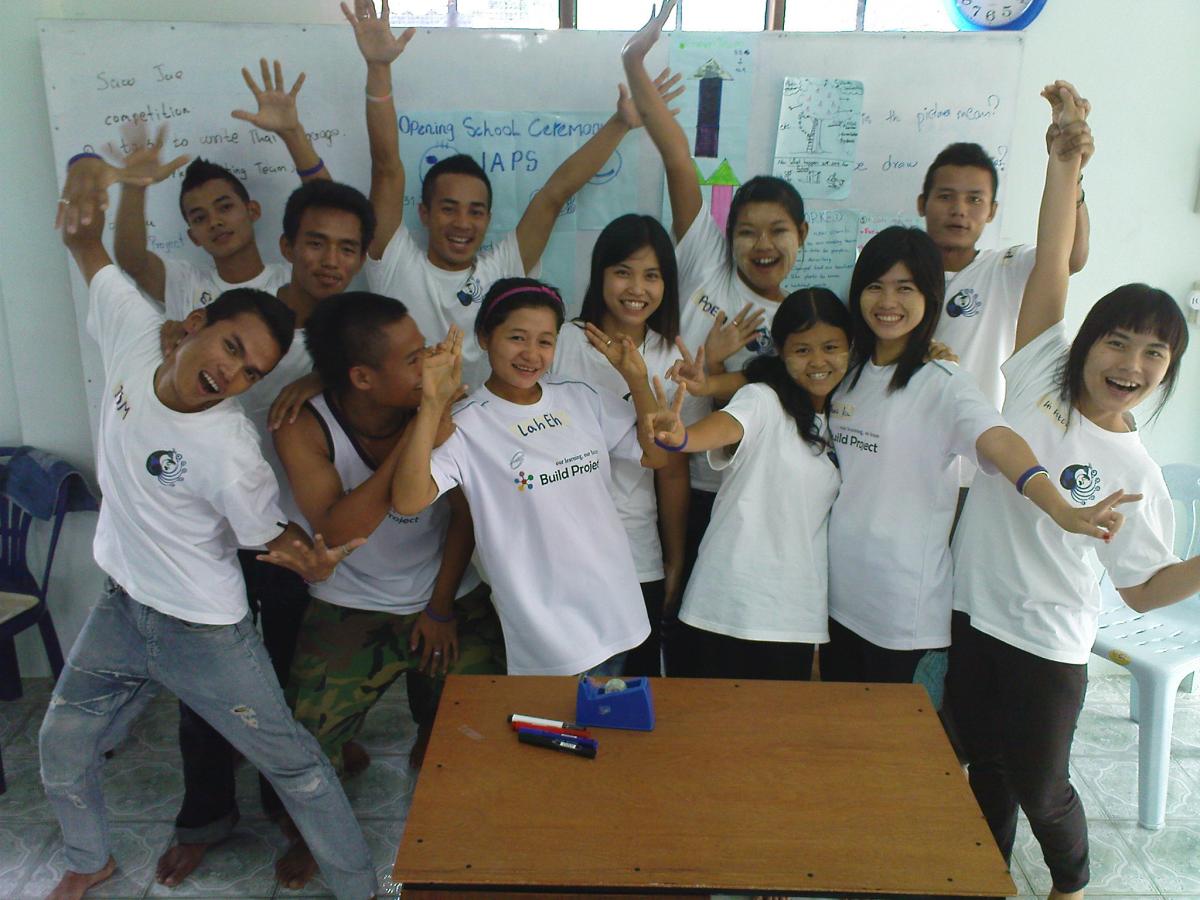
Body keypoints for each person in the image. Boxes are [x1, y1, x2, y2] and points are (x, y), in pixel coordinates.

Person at [44, 161, 374, 900]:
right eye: (229, 349)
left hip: (204, 628)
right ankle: (88, 856)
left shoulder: (233, 449)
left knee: (291, 760)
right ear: (192, 324)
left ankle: (360, 885)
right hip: (120, 604)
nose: (232, 375)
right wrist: (91, 180)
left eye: (251, 372)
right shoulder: (134, 332)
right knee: (61, 741)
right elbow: (90, 252)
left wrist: (309, 561)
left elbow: (266, 538)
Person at [948, 85, 1194, 900]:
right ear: (1086, 342)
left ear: (1167, 372)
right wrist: (1065, 161)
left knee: (1041, 786)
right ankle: (992, 877)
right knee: (980, 762)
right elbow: (1053, 259)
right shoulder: (1041, 374)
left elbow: (1146, 590)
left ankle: (1071, 883)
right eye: (1117, 340)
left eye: (1154, 354)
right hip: (973, 613)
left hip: (1047, 642)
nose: (1131, 362)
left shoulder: (1138, 473)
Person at [822, 221, 1132, 691]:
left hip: (903, 613)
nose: (888, 302)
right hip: (838, 596)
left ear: (928, 296)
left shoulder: (943, 382)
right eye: (875, 287)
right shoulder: (847, 375)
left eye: (904, 288)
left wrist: (1060, 507)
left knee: (902, 757)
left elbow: (1000, 440)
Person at [327, 0, 684, 397]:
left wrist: (619, 124)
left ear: (488, 218)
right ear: (425, 213)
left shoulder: (501, 270)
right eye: (449, 209)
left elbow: (555, 193)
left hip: (487, 435)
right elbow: (387, 167)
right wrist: (378, 70)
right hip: (404, 426)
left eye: (475, 211)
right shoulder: (394, 261)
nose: (463, 223)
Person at [268, 291, 504, 888]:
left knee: (475, 728)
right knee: (301, 747)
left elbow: (466, 519)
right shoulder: (303, 421)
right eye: (412, 359)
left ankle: (437, 771)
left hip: (445, 593)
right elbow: (338, 527)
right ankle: (307, 834)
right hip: (350, 603)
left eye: (426, 349)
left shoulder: (453, 408)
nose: (429, 364)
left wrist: (441, 604)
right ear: (362, 378)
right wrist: (422, 422)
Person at [621, 0, 810, 647]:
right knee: (670, 619)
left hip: (746, 502)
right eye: (748, 231)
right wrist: (634, 63)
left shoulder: (806, 321)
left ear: (800, 237)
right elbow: (678, 157)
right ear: (726, 237)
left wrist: (722, 369)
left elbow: (791, 399)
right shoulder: (703, 259)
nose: (762, 244)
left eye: (777, 231)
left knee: (720, 638)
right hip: (671, 480)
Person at [390, 278, 671, 676]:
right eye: (517, 337)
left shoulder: (581, 397)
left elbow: (655, 455)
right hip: (546, 631)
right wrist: (433, 405)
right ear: (485, 337)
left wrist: (636, 380)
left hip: (615, 608)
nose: (531, 354)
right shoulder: (468, 422)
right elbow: (407, 500)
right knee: (562, 730)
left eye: (545, 341)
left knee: (608, 730)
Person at [651, 289, 850, 679]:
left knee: (772, 738)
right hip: (723, 609)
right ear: (780, 351)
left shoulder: (844, 415)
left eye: (831, 347)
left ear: (851, 347)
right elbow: (727, 425)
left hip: (793, 618)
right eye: (802, 350)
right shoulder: (763, 400)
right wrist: (683, 438)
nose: (818, 362)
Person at [919, 83, 1093, 494]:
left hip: (976, 469)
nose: (960, 209)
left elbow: (1069, 256)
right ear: (922, 202)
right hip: (905, 459)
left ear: (992, 210)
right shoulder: (892, 276)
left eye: (975, 200)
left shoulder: (1005, 267)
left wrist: (1072, 171)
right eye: (946, 197)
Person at [550, 214, 697, 674]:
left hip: (634, 555)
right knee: (559, 696)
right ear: (600, 275)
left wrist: (673, 560)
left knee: (630, 698)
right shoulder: (559, 342)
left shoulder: (672, 358)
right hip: (563, 550)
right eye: (623, 272)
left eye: (652, 275)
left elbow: (670, 469)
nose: (638, 288)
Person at [113, 60, 328, 321]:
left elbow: (333, 216)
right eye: (200, 218)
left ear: (252, 210)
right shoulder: (184, 284)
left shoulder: (294, 279)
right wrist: (133, 190)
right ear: (193, 236)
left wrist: (293, 133)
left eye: (225, 207)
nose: (215, 222)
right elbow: (132, 261)